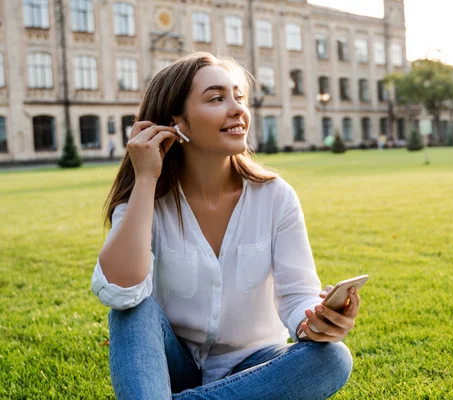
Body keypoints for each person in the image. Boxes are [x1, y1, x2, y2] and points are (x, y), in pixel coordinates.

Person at [91, 52, 358, 399]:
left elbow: (297, 296)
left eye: (239, 97)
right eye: (217, 98)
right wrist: (145, 178)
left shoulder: (275, 197)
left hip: (255, 367)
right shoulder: (146, 200)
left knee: (333, 358)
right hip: (173, 366)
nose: (237, 110)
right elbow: (119, 291)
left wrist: (318, 321)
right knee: (132, 308)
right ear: (177, 123)